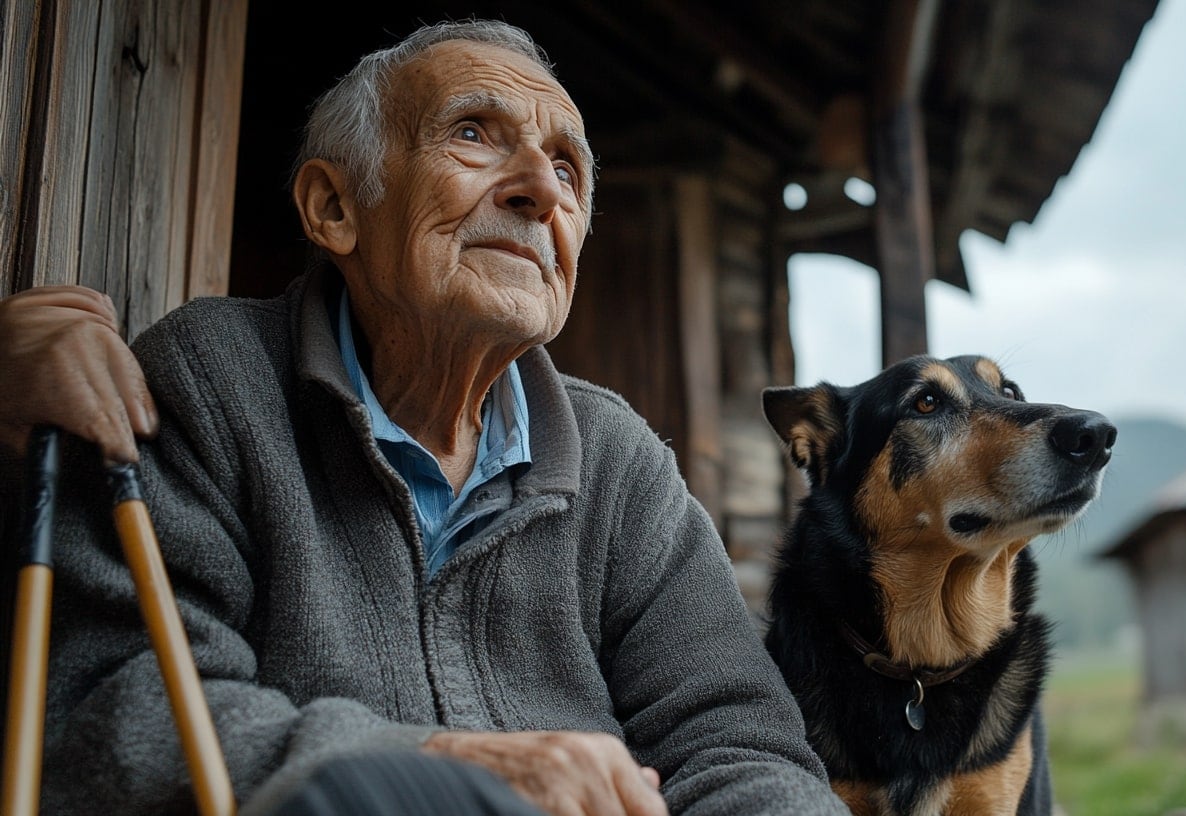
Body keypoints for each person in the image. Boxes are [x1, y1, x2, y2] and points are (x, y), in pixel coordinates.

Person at [0, 20, 847, 816]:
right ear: (333, 207)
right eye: (474, 133)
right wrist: (450, 768)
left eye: (569, 170)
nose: (539, 192)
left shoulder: (620, 462)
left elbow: (744, 747)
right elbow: (121, 711)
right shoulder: (211, 382)